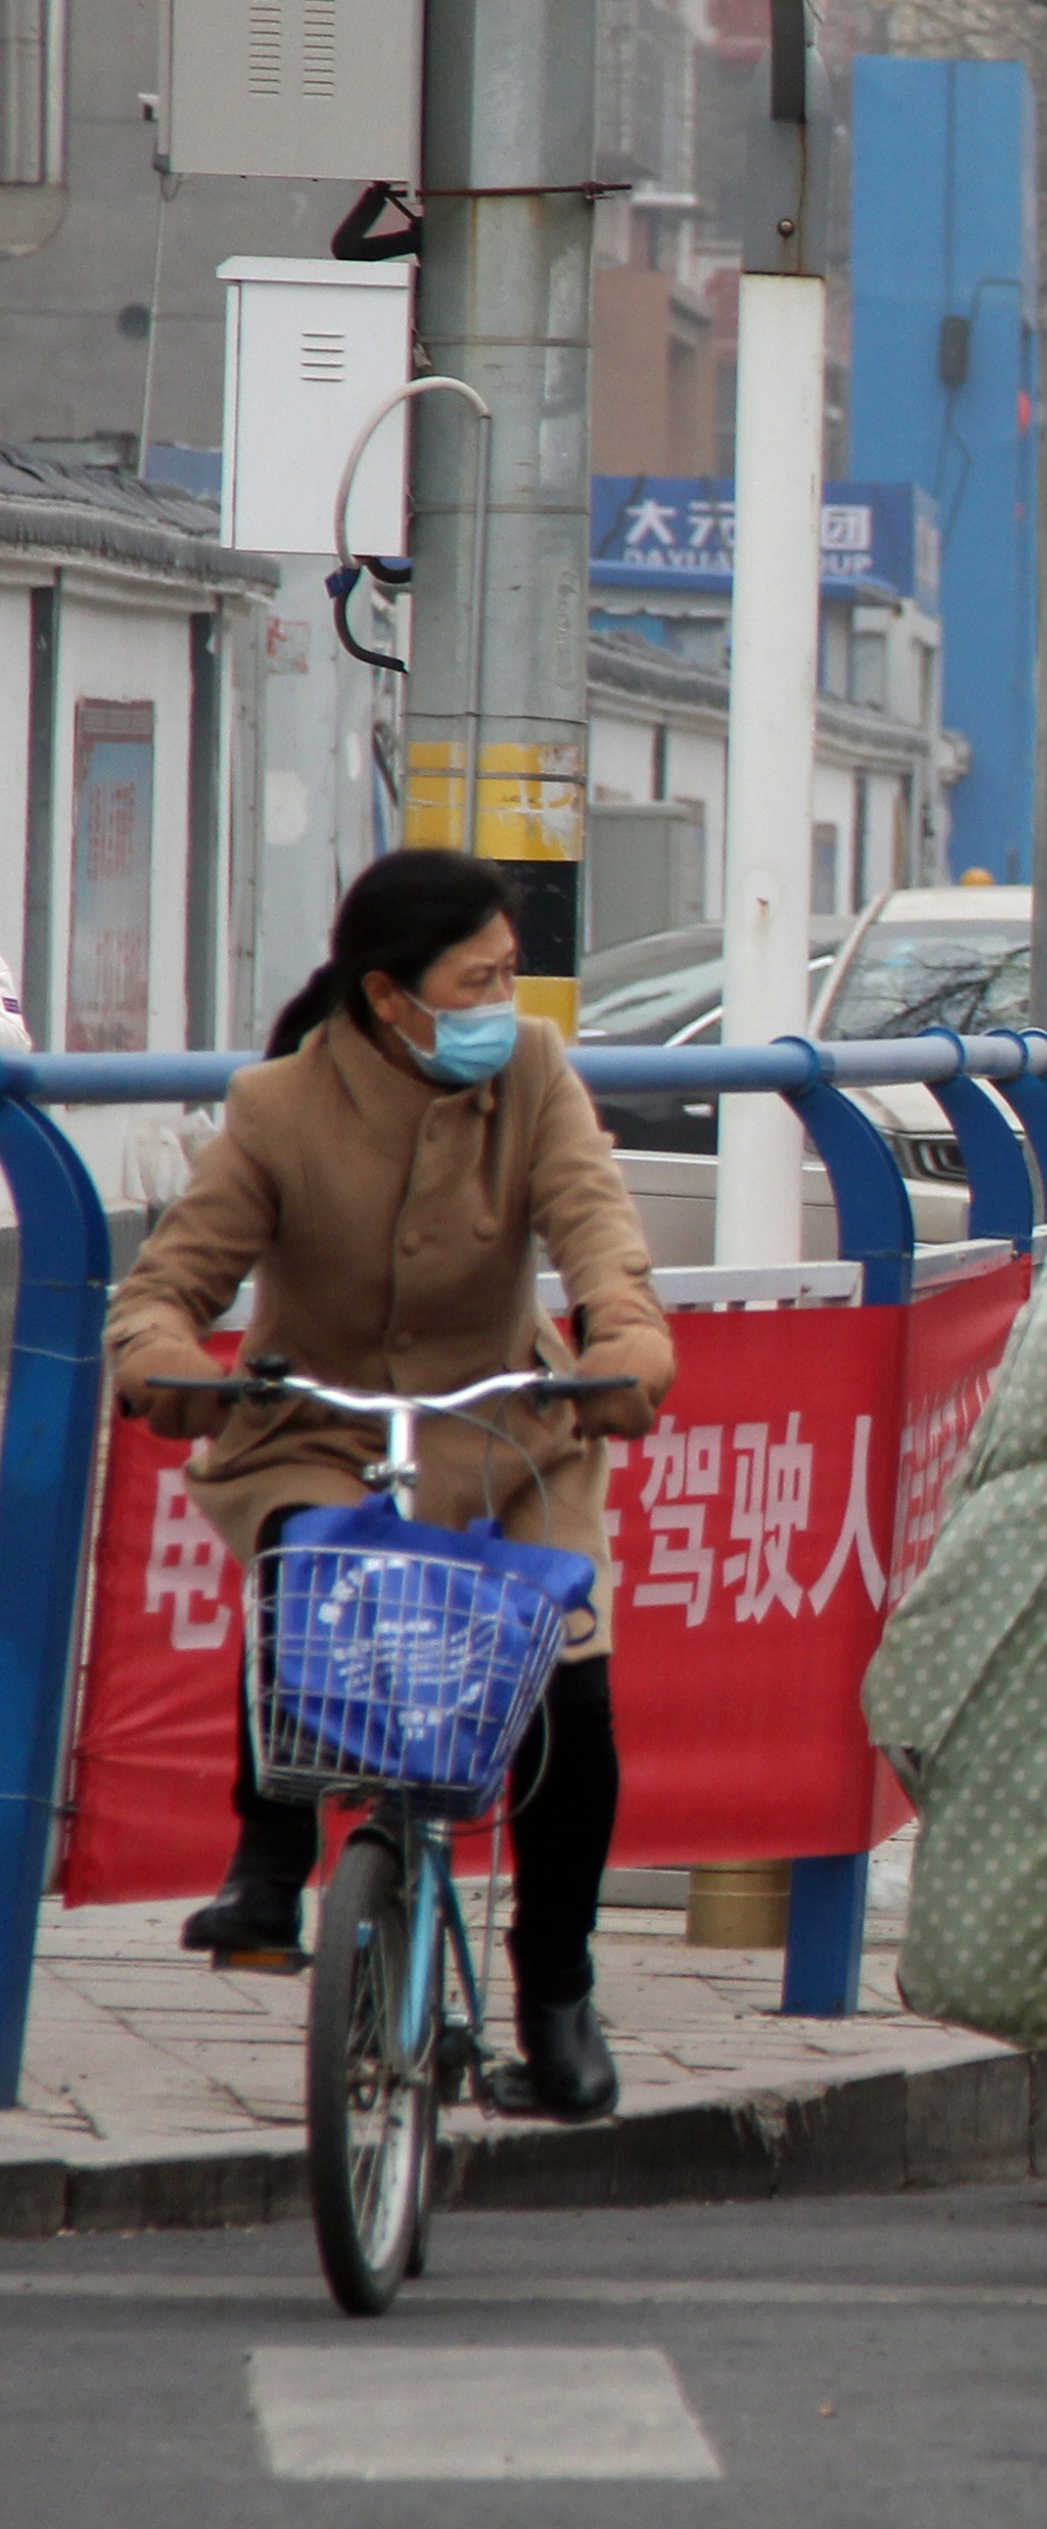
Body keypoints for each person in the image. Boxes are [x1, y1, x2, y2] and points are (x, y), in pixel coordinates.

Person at [108, 851, 678, 2121]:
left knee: (569, 1688)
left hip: (508, 1433)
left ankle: (557, 1989)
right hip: (326, 1423)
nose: (499, 1004)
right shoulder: (277, 1107)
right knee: (305, 1555)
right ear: (386, 993)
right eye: (475, 981)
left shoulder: (535, 1073)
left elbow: (598, 1232)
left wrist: (628, 1338)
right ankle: (268, 1862)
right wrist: (161, 1359)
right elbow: (168, 1285)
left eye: (508, 975)